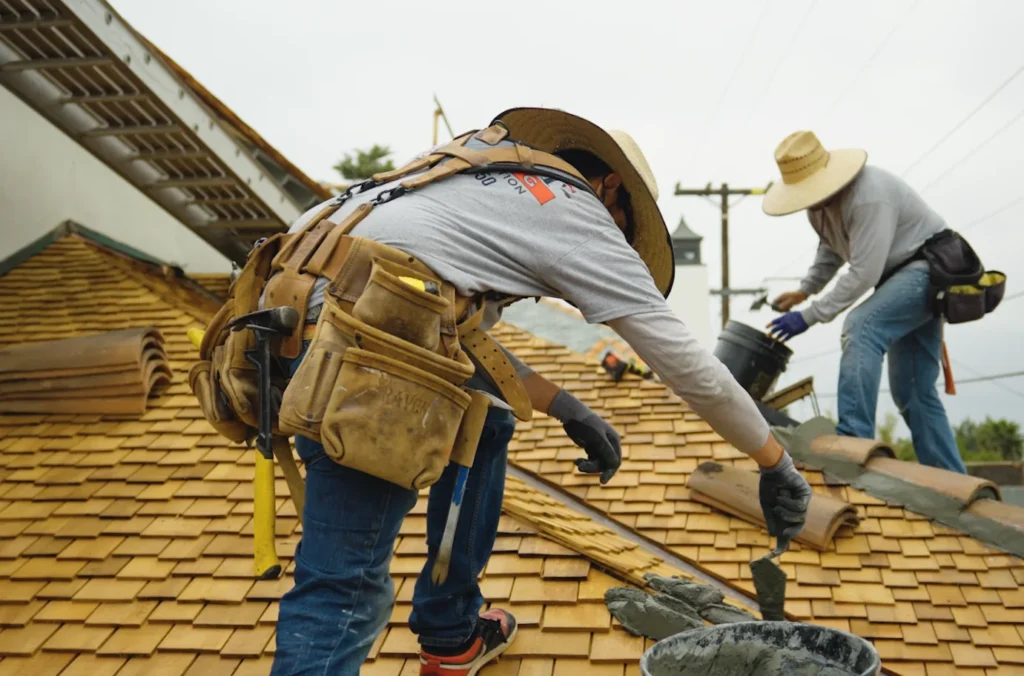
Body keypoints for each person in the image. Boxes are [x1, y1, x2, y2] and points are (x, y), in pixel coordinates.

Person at [262, 108, 812, 675]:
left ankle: (452, 632)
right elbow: (693, 370)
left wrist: (565, 406)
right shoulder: (576, 213)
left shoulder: (471, 183)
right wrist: (775, 463)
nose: (614, 249)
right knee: (346, 589)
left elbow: (456, 342)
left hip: (286, 329)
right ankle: (434, 629)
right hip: (360, 358)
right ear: (609, 189)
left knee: (489, 418)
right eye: (624, 232)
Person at [763, 130, 967, 474]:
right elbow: (831, 249)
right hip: (897, 278)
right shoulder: (820, 208)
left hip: (925, 269)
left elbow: (863, 273)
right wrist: (806, 290)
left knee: (861, 327)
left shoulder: (870, 196)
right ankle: (951, 480)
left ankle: (854, 439)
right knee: (913, 391)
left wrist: (809, 316)